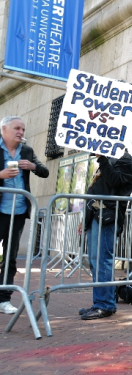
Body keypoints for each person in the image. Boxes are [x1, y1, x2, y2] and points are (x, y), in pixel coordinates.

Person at [78, 151, 132, 320]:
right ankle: (103, 302)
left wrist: (102, 159)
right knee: (96, 261)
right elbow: (95, 190)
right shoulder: (110, 160)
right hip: (96, 216)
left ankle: (104, 304)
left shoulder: (125, 160)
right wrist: (85, 219)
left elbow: (115, 180)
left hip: (107, 217)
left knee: (102, 260)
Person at [0, 116, 49, 314]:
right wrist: (1, 175)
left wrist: (34, 166)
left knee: (10, 258)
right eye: (17, 128)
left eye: (23, 129)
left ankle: (3, 300)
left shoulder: (26, 151)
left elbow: (44, 172)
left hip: (18, 213)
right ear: (4, 129)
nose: (21, 132)